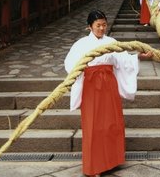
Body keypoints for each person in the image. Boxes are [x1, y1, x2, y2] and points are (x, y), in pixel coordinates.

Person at [64, 10, 152, 177]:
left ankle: (110, 161)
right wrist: (79, 71)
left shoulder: (111, 42)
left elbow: (124, 60)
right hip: (91, 86)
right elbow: (70, 64)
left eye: (104, 25)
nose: (102, 28)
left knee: (111, 123)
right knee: (93, 125)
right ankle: (94, 166)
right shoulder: (81, 44)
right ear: (90, 26)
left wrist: (138, 56)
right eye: (98, 25)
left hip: (108, 86)